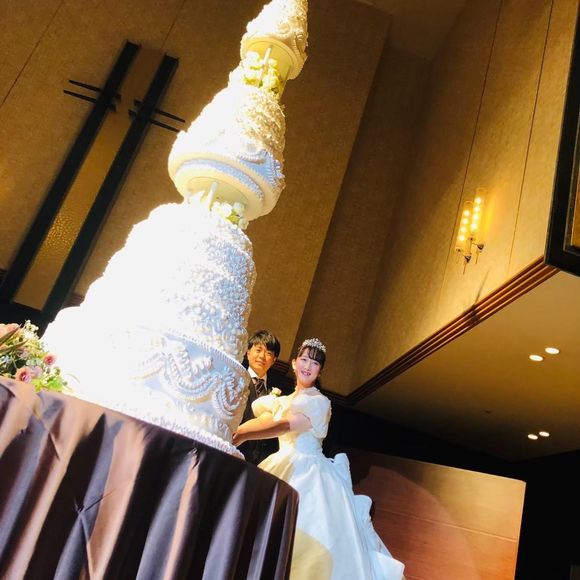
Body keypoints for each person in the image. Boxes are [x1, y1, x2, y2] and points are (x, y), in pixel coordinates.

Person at [233, 338, 405, 580]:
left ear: (320, 371)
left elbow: (285, 425)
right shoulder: (282, 400)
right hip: (281, 463)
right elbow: (265, 420)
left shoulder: (319, 403)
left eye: (314, 363)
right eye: (304, 359)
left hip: (309, 471)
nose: (308, 366)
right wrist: (235, 433)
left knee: (306, 537)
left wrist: (242, 434)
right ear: (294, 363)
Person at [239, 329, 281, 464]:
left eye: (268, 353)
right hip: (235, 453)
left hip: (261, 463)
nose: (262, 356)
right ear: (248, 352)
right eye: (258, 350)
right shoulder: (237, 381)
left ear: (274, 360)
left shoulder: (277, 393)